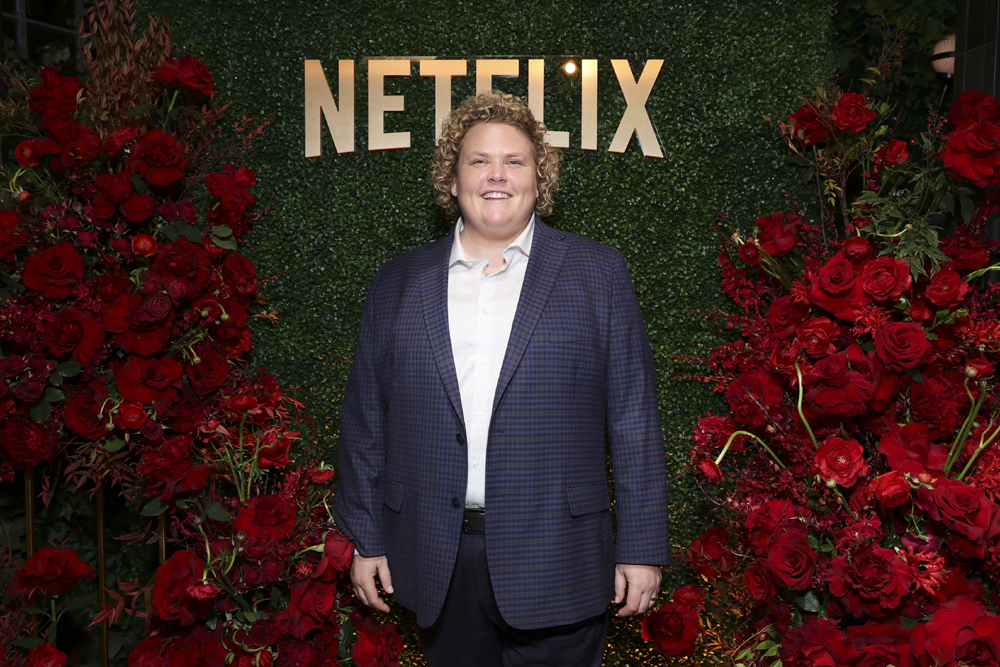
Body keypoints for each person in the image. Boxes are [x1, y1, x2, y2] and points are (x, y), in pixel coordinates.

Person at [332, 91, 669, 666]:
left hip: (561, 554)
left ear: (539, 178)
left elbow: (633, 418)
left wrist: (642, 547)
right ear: (452, 177)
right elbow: (366, 420)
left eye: (514, 161)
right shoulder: (397, 282)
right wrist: (366, 537)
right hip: (436, 554)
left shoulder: (599, 273)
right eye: (478, 160)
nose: (496, 175)